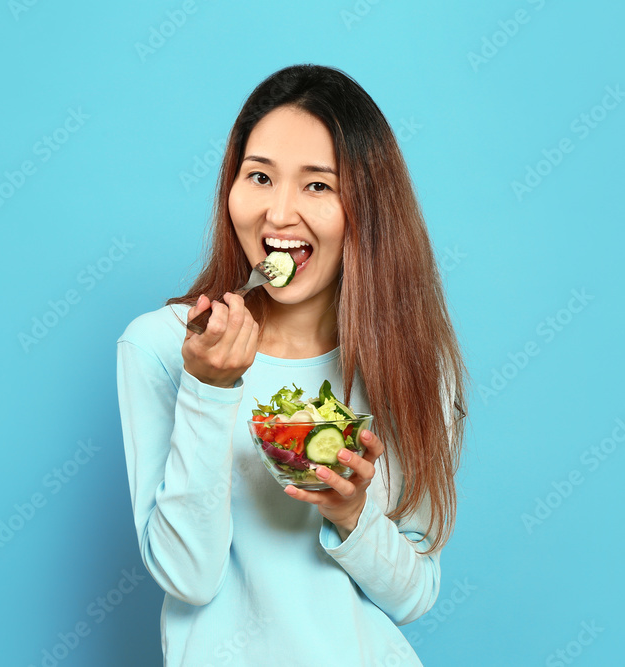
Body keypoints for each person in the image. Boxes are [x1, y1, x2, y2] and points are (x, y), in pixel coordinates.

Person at [116, 63, 468, 666]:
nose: (279, 214)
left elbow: (415, 595)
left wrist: (352, 513)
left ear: (368, 210)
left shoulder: (414, 364)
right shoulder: (160, 348)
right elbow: (188, 577)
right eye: (259, 177)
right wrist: (209, 389)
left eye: (317, 185)